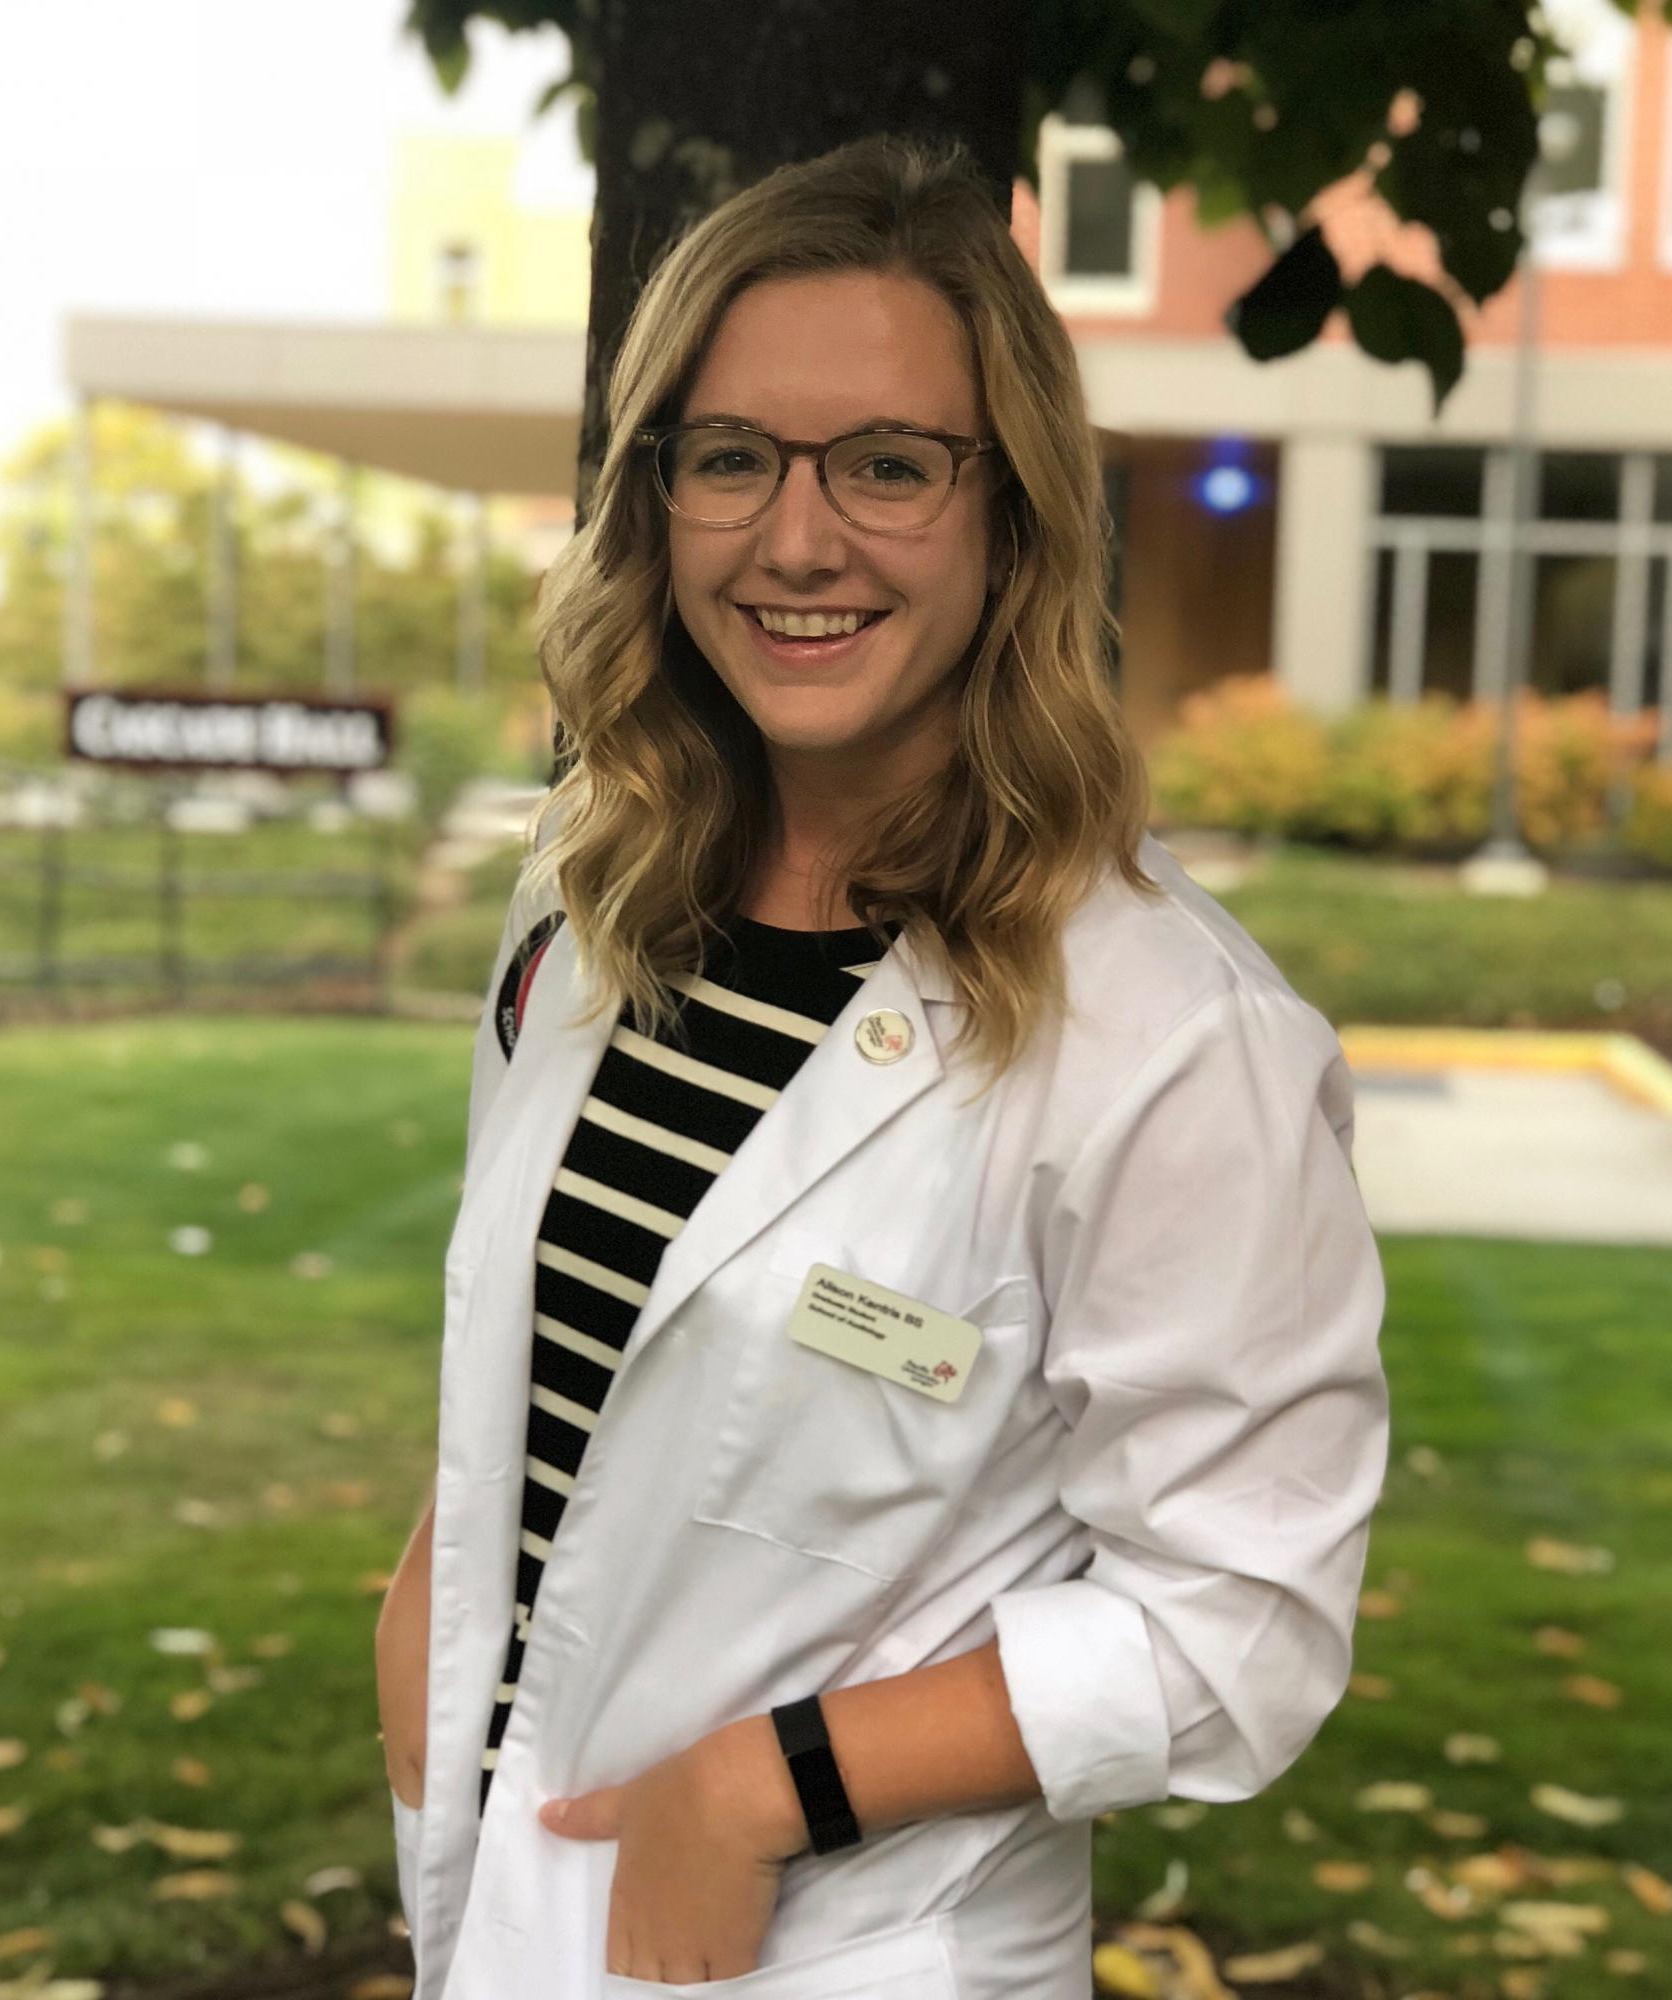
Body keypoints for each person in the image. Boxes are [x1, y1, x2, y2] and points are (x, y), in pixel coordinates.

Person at [374, 130, 1390, 2000]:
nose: (797, 539)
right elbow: (544, 1363)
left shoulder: (1174, 1041)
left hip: (843, 1944)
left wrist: (767, 1791)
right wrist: (424, 1654)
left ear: (1016, 517)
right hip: (498, 1913)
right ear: (656, 497)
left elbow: (1243, 1626)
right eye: (732, 457)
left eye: (891, 464)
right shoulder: (592, 904)